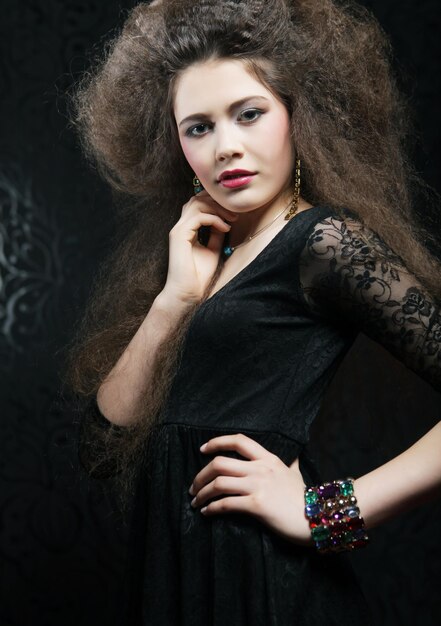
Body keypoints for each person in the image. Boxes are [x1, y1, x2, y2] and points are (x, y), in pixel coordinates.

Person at [65, 0, 441, 624]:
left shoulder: (325, 243)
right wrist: (174, 300)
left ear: (299, 115)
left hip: (265, 586)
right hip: (177, 583)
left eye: (249, 114)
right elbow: (103, 450)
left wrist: (329, 511)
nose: (226, 148)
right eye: (198, 127)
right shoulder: (196, 256)